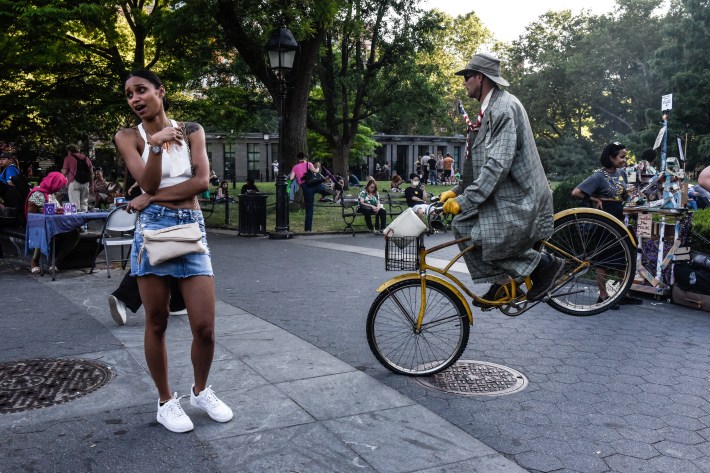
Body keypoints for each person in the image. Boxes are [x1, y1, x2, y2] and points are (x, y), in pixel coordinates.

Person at [115, 69, 232, 433]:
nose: (135, 98)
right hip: (152, 232)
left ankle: (200, 390)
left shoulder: (192, 130)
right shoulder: (127, 137)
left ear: (160, 92)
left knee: (205, 327)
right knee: (157, 321)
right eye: (129, 94)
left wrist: (147, 198)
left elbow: (200, 183)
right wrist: (154, 145)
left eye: (141, 90)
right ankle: (166, 401)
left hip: (191, 228)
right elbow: (147, 179)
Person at [439, 52, 564, 303]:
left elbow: (497, 165)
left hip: (520, 196)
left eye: (467, 76)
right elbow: (477, 158)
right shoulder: (487, 111)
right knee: (461, 225)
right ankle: (504, 283)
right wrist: (459, 190)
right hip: (503, 196)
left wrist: (466, 200)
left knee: (482, 236)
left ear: (480, 77)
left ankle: (544, 265)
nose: (464, 82)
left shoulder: (503, 109)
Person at [571, 142, 643, 306]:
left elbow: (622, 196)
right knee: (603, 257)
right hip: (604, 218)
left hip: (619, 216)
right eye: (622, 157)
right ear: (611, 157)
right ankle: (602, 295)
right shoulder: (598, 176)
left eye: (625, 156)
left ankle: (621, 292)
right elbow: (576, 192)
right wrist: (594, 198)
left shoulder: (622, 173)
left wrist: (628, 194)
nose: (625, 160)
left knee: (623, 255)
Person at [25, 172, 80, 274]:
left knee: (75, 232)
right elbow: (31, 217)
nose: (60, 188)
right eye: (59, 185)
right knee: (43, 229)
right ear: (54, 183)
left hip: (56, 225)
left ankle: (56, 262)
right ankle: (34, 261)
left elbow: (57, 209)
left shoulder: (50, 194)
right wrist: (44, 214)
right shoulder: (37, 194)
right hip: (41, 226)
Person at [288, 152, 325, 232]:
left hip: (305, 187)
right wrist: (318, 167)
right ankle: (332, 194)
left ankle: (308, 229)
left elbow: (291, 178)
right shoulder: (309, 164)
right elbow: (315, 171)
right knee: (323, 189)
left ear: (298, 159)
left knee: (309, 208)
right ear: (305, 158)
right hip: (314, 184)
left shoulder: (295, 167)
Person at [62, 144, 94, 212]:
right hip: (86, 183)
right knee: (84, 203)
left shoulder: (68, 158)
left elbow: (64, 173)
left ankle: (77, 220)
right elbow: (91, 173)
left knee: (75, 205)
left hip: (74, 182)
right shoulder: (86, 158)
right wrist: (91, 185)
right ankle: (85, 219)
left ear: (69, 151)